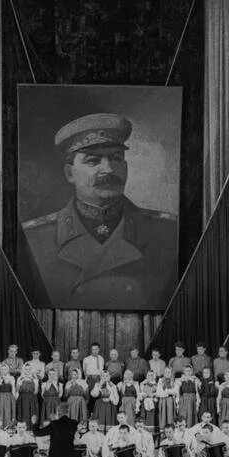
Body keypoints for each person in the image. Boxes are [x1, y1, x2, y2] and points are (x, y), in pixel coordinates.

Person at [20, 113, 178, 310]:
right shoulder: (33, 237)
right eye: (93, 161)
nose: (109, 170)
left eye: (116, 158)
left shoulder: (168, 231)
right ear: (70, 173)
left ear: (126, 167)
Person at [16, 365, 40, 429]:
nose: (27, 371)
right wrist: (19, 385)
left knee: (32, 414)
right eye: (26, 369)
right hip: (22, 399)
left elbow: (35, 392)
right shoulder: (20, 378)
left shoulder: (35, 379)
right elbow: (17, 391)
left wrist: (36, 383)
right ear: (23, 370)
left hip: (32, 399)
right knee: (23, 415)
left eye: (29, 369)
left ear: (31, 370)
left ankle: (33, 430)